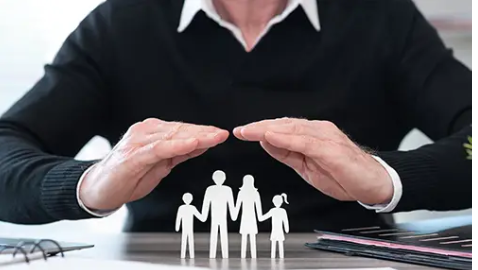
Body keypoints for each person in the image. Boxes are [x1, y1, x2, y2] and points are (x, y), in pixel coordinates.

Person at [0, 0, 471, 233]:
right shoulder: (122, 23)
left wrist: (388, 176)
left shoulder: (381, 17)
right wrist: (88, 184)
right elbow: (7, 149)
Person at [201, 170, 235, 258]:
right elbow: (206, 203)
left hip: (222, 216)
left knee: (222, 235)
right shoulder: (211, 189)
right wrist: (204, 215)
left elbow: (230, 204)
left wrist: (233, 214)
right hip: (215, 216)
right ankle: (213, 255)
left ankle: (224, 255)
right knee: (215, 235)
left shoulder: (227, 190)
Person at [234, 175, 263, 258]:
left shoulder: (242, 193)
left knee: (245, 237)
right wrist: (260, 217)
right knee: (251, 238)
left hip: (245, 217)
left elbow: (237, 207)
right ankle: (252, 255)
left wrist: (234, 216)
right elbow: (258, 208)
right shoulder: (255, 193)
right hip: (251, 218)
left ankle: (244, 255)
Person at [260, 193, 290, 259]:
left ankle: (275, 256)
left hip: (276, 231)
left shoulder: (274, 211)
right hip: (277, 231)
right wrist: (286, 229)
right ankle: (278, 256)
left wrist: (260, 216)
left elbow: (285, 221)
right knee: (278, 245)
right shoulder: (281, 211)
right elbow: (285, 221)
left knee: (276, 245)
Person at [175, 193, 204, 259]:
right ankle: (183, 255)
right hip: (185, 227)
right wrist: (177, 226)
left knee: (190, 240)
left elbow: (198, 215)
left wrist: (203, 218)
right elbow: (179, 218)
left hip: (190, 227)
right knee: (184, 240)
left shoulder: (192, 208)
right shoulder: (182, 208)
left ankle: (191, 255)